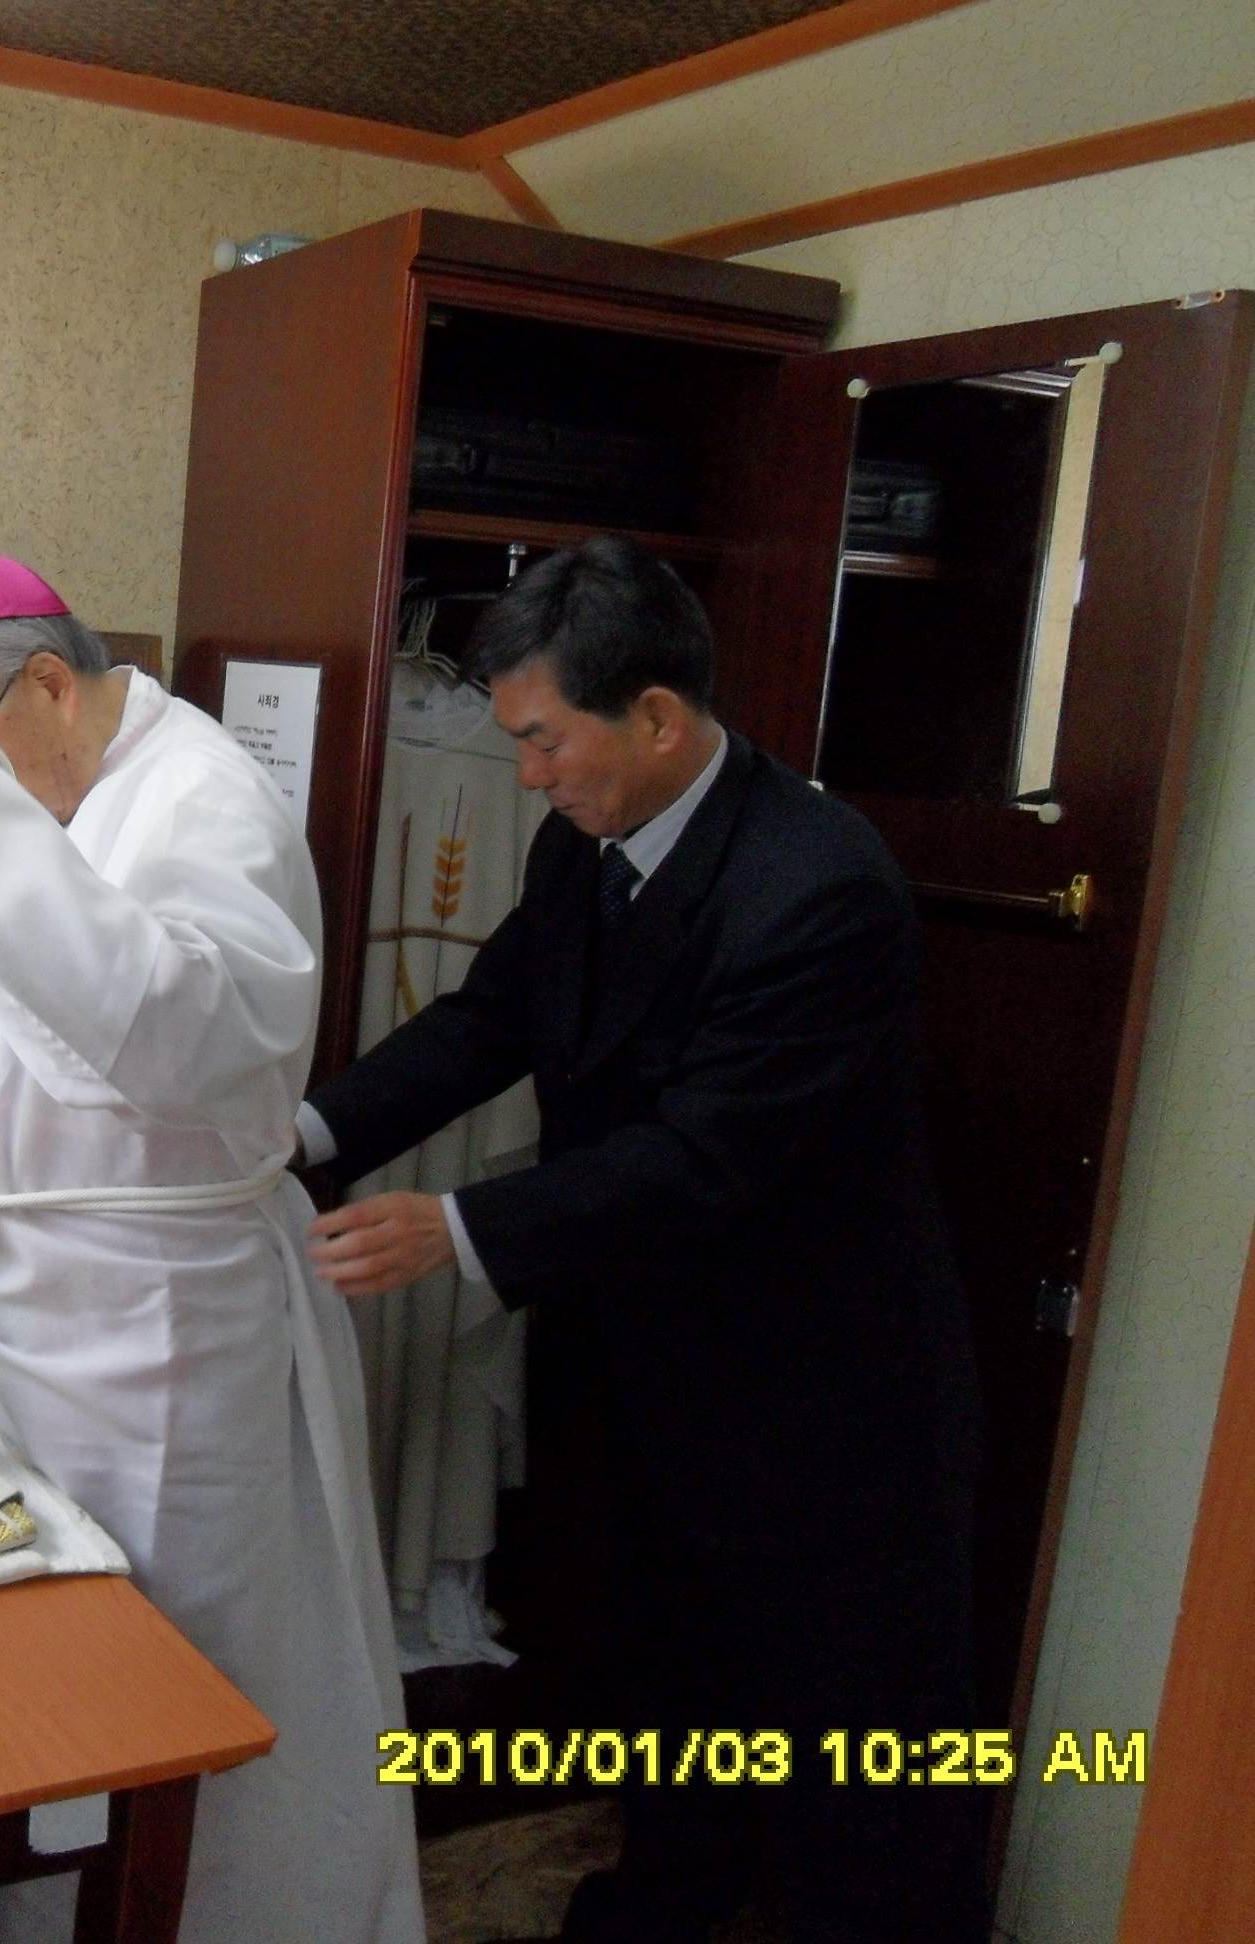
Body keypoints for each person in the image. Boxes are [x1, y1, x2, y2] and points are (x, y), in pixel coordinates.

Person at [299, 536, 984, 1943]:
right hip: (659, 1352)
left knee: (850, 1746)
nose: (527, 777)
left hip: (823, 1389)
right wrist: (305, 1139)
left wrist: (456, 1226)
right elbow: (487, 1021)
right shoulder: (585, 843)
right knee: (674, 1670)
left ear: (657, 716)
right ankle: (666, 1900)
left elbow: (703, 1156)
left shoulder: (817, 884)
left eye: (544, 741)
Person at [0, 551, 426, 1944]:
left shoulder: (207, 799)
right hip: (33, 1325)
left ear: (48, 684)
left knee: (174, 1679)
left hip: (167, 1348)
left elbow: (201, 1039)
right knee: (41, 1651)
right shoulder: (70, 783)